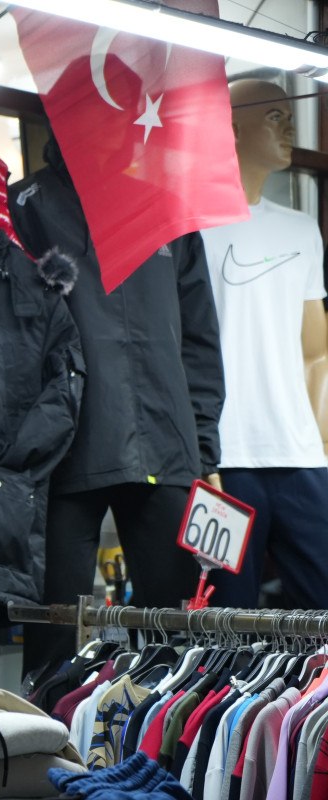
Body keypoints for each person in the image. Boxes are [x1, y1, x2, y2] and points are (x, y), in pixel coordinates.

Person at [10, 133, 222, 681]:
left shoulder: (168, 208)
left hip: (165, 443)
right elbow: (6, 330)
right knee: (54, 638)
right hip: (63, 446)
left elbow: (199, 336)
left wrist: (203, 448)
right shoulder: (26, 205)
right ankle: (49, 730)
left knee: (177, 642)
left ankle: (166, 735)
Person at [201, 79, 328, 609]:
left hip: (302, 461)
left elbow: (316, 351)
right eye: (275, 116)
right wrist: (197, 454)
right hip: (223, 462)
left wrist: (321, 445)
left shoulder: (302, 230)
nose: (290, 126)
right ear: (231, 127)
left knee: (321, 613)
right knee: (226, 621)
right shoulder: (191, 228)